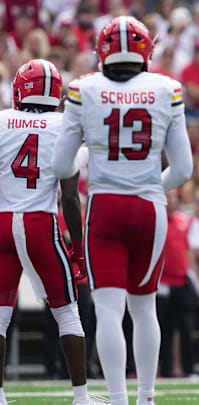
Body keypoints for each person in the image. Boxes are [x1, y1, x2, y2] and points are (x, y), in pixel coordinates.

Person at [51, 16, 193, 405]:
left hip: (105, 208)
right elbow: (183, 170)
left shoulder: (84, 88)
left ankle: (117, 399)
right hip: (150, 209)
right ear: (147, 50)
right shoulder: (167, 88)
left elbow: (62, 167)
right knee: (145, 308)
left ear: (102, 52)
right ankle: (146, 398)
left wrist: (91, 153)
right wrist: (146, 188)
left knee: (110, 311)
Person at [0, 59, 100, 405]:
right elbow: (70, 198)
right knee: (66, 310)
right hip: (40, 222)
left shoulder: (1, 121)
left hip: (2, 221)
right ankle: (81, 396)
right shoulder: (62, 125)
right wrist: (81, 247)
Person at [157, 191, 199, 378]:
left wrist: (196, 281)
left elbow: (193, 253)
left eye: (172, 198)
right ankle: (165, 368)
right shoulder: (155, 221)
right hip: (159, 283)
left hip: (181, 280)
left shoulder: (187, 222)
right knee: (162, 328)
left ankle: (188, 367)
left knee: (185, 327)